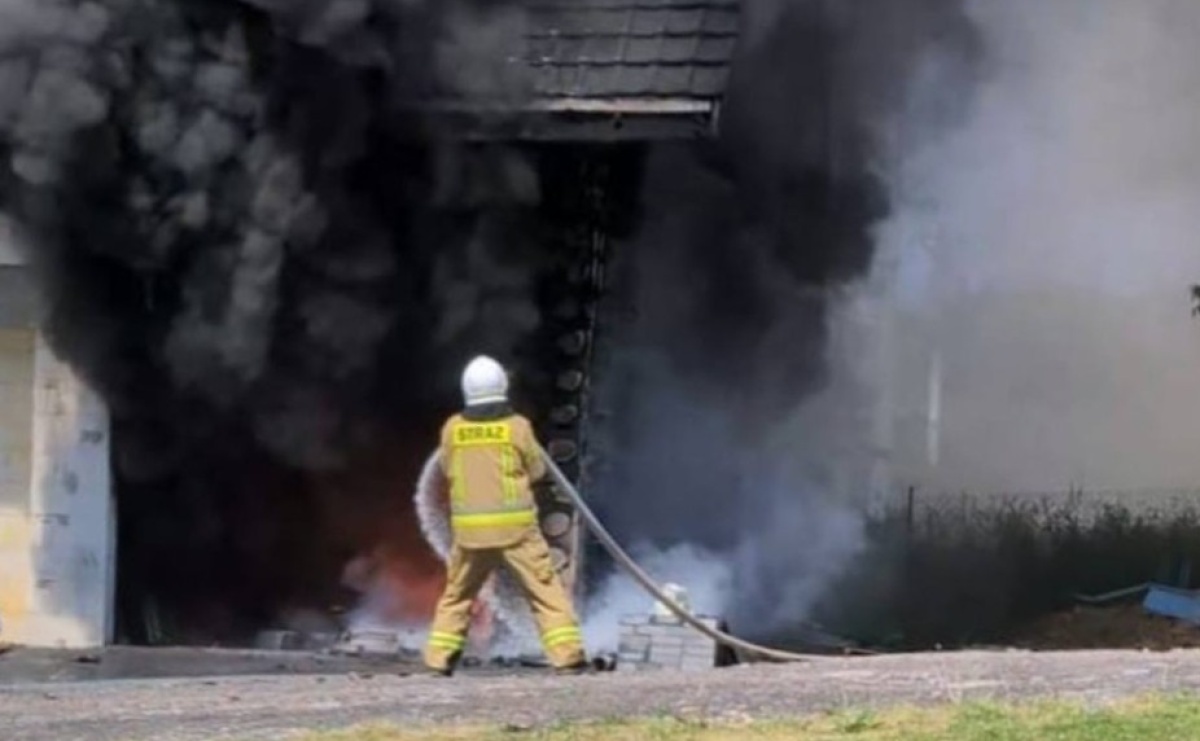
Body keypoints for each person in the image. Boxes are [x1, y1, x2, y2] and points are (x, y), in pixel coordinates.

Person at [422, 355, 588, 676]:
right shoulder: (518, 427)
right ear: (502, 387)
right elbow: (538, 469)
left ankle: (438, 661)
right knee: (544, 592)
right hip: (516, 532)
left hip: (470, 534)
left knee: (457, 596)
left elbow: (446, 468)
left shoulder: (453, 429)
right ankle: (568, 658)